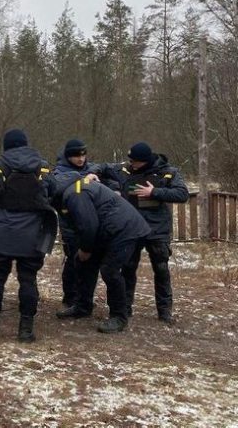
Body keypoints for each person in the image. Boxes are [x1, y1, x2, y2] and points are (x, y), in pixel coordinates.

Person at [0, 129, 57, 343]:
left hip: (2, 232)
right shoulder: (43, 166)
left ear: (6, 146)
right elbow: (54, 192)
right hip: (32, 233)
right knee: (28, 279)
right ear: (25, 144)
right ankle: (25, 330)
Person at [98, 142, 189, 323]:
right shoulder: (124, 169)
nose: (133, 164)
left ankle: (164, 311)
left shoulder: (167, 172)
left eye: (137, 162)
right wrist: (97, 176)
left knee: (161, 269)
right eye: (131, 160)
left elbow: (182, 194)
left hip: (157, 229)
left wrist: (154, 191)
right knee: (128, 268)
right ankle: (125, 307)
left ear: (147, 160)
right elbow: (102, 167)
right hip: (131, 228)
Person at [53, 175, 150, 333]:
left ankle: (119, 316)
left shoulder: (75, 194)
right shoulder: (71, 190)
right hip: (107, 230)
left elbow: (88, 225)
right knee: (84, 263)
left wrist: (86, 249)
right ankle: (83, 306)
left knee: (109, 270)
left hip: (125, 230)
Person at [52, 138, 97, 309]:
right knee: (73, 259)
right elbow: (57, 187)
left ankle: (84, 297)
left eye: (83, 155)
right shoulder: (59, 171)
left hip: (89, 219)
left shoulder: (90, 168)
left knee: (88, 262)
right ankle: (70, 296)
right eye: (76, 156)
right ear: (68, 156)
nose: (81, 159)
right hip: (69, 222)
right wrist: (84, 178)